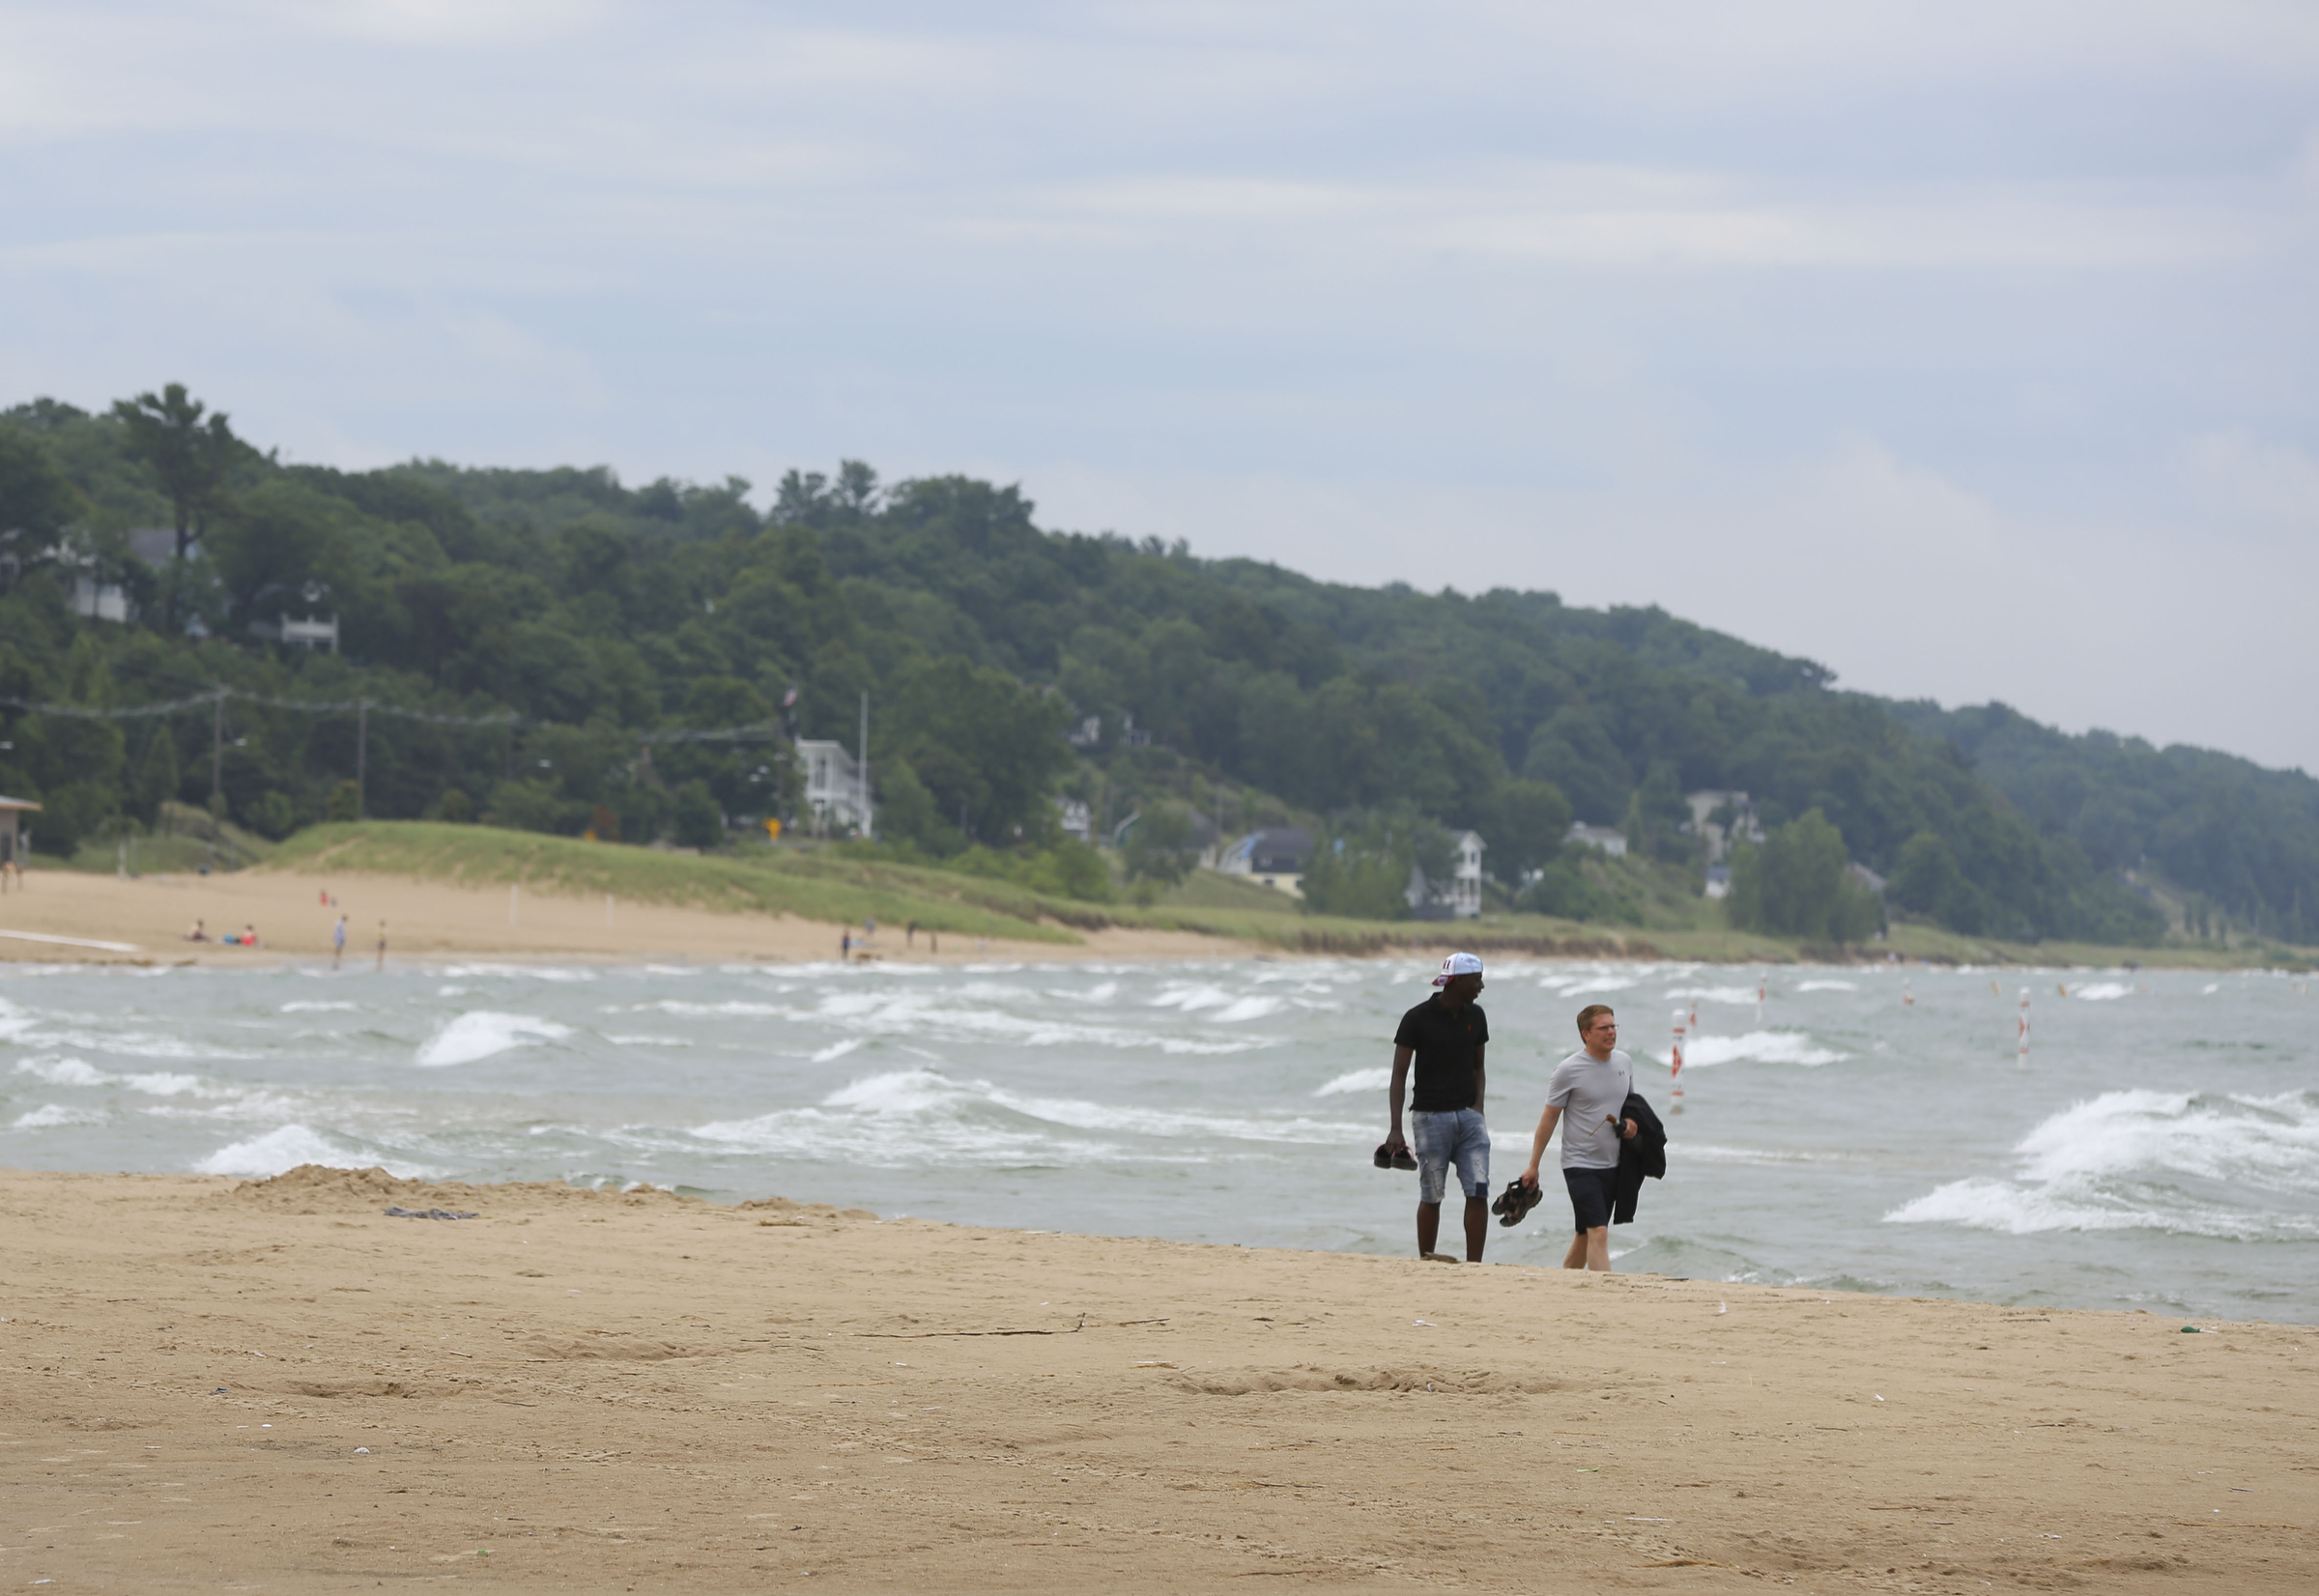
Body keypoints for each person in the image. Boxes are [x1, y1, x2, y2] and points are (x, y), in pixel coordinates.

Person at [1384, 952, 1492, 1264]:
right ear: (1456, 981)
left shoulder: (1476, 1016)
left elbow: (1478, 1066)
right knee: (1432, 1193)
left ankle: (1474, 1265)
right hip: (1430, 1117)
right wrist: (1395, 1128)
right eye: (1476, 980)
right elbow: (1399, 1074)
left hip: (1470, 1119)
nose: (1481, 986)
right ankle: (1427, 1258)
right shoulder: (1417, 1018)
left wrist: (1478, 1108)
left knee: (1479, 1189)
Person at [1518, 1004, 1638, 1272]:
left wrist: (1632, 1123)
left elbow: (1631, 1105)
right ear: (1586, 1034)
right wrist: (1533, 1164)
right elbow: (1549, 1118)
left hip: (1613, 1163)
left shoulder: (1624, 1062)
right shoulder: (1568, 1070)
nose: (1611, 1032)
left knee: (1585, 1233)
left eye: (1613, 1026)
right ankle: (1605, 1292)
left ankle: (1566, 1281)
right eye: (1603, 1028)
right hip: (1579, 1164)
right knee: (1599, 1231)